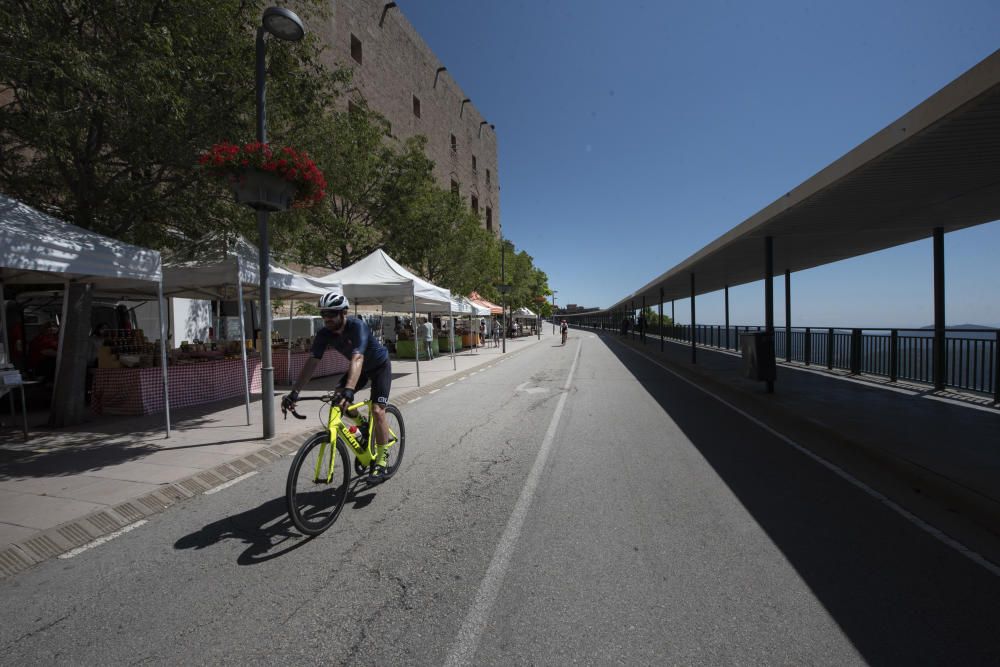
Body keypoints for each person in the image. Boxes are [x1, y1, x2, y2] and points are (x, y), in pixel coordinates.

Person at [281, 291, 395, 481]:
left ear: (343, 313)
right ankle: (363, 425)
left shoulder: (357, 326)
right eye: (323, 314)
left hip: (379, 367)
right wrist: (294, 392)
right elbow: (312, 362)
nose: (327, 318)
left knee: (377, 410)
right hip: (359, 370)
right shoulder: (324, 334)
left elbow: (357, 357)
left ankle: (382, 461)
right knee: (338, 397)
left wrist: (350, 389)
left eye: (331, 314)